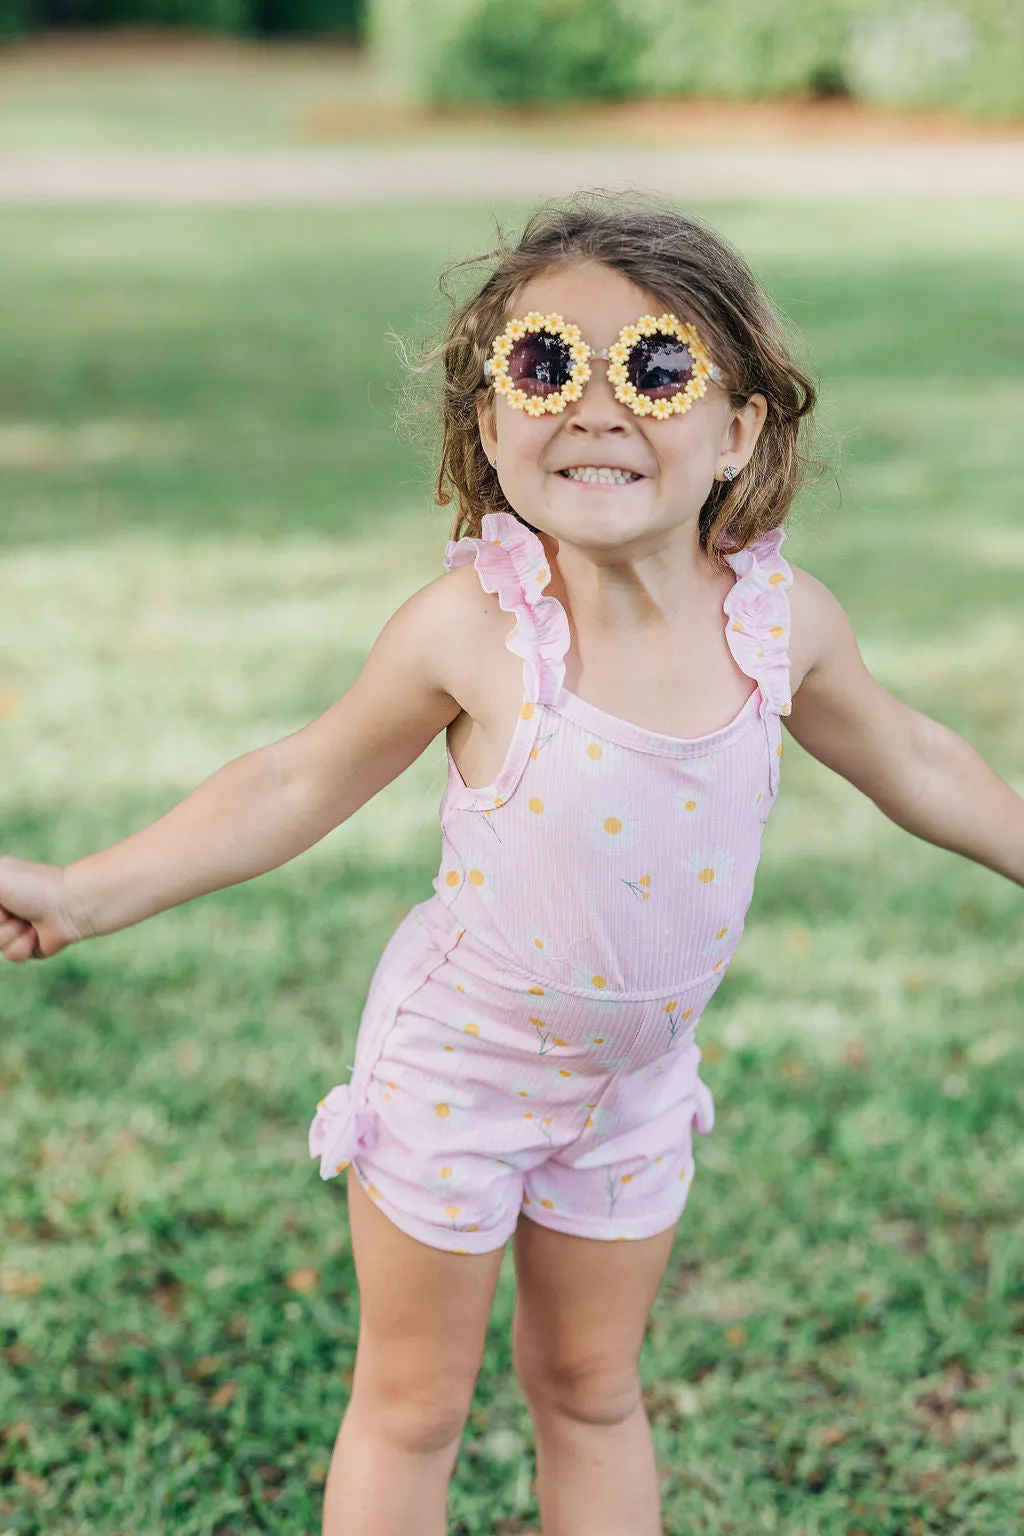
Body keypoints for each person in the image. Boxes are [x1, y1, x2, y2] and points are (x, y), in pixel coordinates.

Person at [1, 194, 1021, 1536]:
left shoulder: (781, 626)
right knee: (414, 1403)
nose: (596, 406)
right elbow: (297, 780)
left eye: (656, 366)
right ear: (490, 424)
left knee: (594, 1388)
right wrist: (82, 893)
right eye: (544, 362)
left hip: (632, 1090)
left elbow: (919, 761)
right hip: (455, 1079)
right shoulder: (477, 632)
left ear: (739, 430)